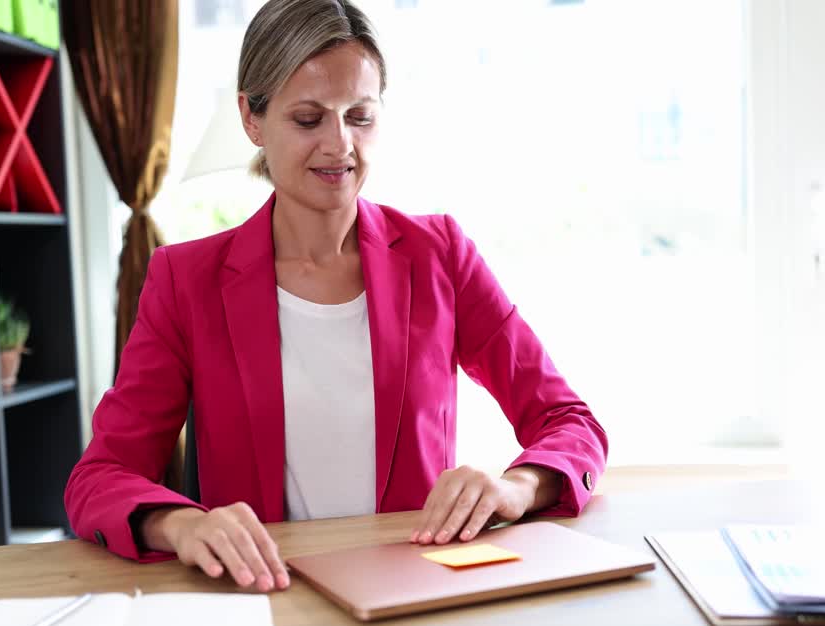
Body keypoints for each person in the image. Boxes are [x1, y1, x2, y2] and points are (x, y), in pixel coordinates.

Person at [65, 0, 607, 594]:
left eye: (360, 115)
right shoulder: (185, 280)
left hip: (413, 594)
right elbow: (101, 478)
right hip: (264, 599)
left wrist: (517, 486)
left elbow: (568, 421)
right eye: (307, 119)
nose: (339, 144)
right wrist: (182, 524)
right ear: (252, 117)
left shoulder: (441, 255)